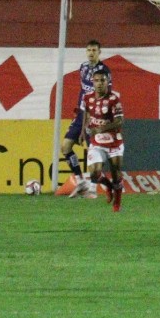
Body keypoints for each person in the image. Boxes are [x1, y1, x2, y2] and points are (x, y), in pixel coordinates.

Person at [60, 42, 111, 195]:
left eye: (94, 50)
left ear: (99, 52)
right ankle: (80, 181)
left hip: (95, 115)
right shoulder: (83, 68)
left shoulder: (104, 71)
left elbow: (106, 95)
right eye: (88, 50)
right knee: (65, 147)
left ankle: (93, 189)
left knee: (93, 153)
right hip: (81, 114)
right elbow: (83, 91)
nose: (91, 53)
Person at [80, 66, 126, 212]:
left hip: (114, 143)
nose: (99, 83)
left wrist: (101, 129)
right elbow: (87, 114)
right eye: (96, 80)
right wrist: (82, 131)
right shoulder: (87, 98)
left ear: (108, 82)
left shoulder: (113, 99)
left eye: (102, 80)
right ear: (92, 82)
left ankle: (117, 204)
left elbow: (119, 121)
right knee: (94, 173)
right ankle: (109, 186)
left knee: (116, 174)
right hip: (97, 142)